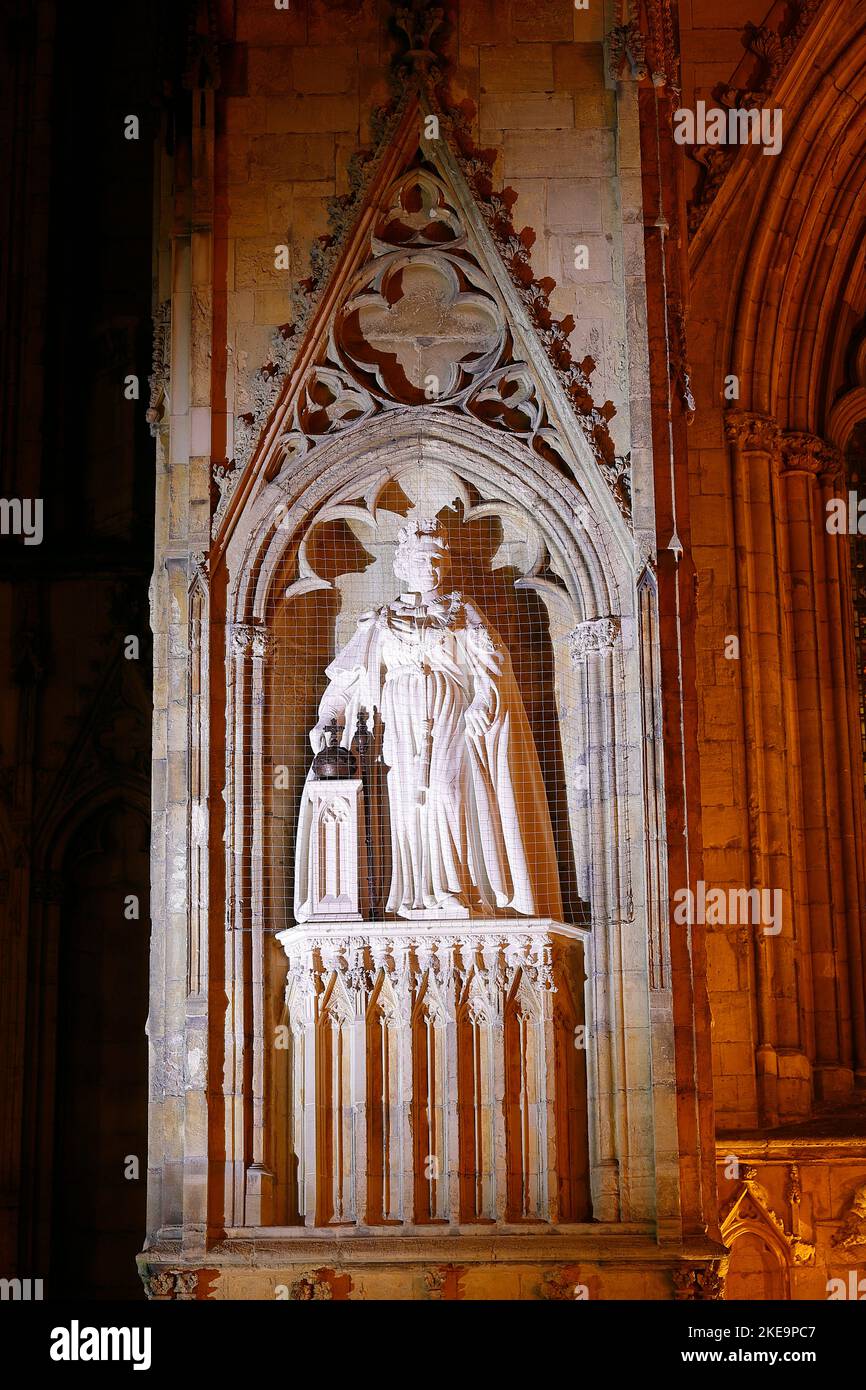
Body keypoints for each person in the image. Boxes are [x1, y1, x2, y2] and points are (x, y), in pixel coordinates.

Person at [294, 517, 563, 921]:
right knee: (406, 804)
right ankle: (411, 896)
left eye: (438, 558)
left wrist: (483, 702)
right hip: (396, 719)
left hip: (449, 712)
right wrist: (328, 717)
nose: (431, 566)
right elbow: (347, 679)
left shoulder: (461, 610)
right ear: (402, 564)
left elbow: (492, 666)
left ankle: (454, 889)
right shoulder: (379, 620)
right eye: (422, 558)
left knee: (447, 792)